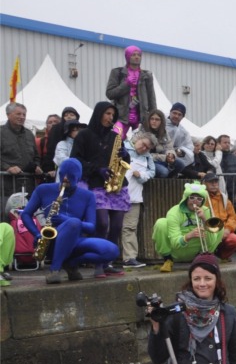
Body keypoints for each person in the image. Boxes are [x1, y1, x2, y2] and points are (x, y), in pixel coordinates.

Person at [21, 159, 120, 284]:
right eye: (63, 175)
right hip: (51, 241)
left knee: (112, 250)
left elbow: (91, 227)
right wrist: (36, 234)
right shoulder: (43, 189)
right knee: (73, 223)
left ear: (78, 178)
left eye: (71, 176)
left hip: (76, 241)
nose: (66, 179)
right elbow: (25, 214)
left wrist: (67, 220)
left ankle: (71, 263)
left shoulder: (87, 195)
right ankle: (54, 270)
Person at [70, 101, 129, 278]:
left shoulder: (115, 136)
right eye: (107, 113)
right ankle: (98, 264)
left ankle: (108, 262)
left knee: (117, 226)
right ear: (98, 114)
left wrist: (126, 155)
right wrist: (97, 168)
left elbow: (125, 159)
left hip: (116, 184)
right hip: (96, 183)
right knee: (102, 223)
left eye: (113, 115)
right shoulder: (84, 135)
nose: (111, 117)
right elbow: (76, 159)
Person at [152, 182, 224, 273]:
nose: (195, 201)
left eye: (199, 199)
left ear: (202, 201)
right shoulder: (174, 212)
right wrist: (189, 236)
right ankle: (168, 260)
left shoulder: (205, 211)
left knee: (218, 226)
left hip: (196, 252)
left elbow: (212, 241)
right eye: (192, 198)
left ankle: (203, 257)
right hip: (176, 251)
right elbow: (174, 242)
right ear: (186, 198)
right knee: (161, 223)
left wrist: (204, 220)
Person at [120, 131, 157, 268]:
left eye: (148, 148)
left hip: (134, 197)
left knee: (130, 228)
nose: (144, 149)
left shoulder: (148, 158)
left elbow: (152, 173)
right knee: (109, 227)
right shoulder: (122, 147)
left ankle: (129, 258)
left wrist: (140, 175)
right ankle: (106, 259)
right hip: (115, 195)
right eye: (143, 144)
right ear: (137, 139)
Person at [105, 45, 156, 137]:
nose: (137, 57)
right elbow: (110, 94)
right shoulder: (117, 72)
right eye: (133, 55)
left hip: (141, 118)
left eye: (139, 55)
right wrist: (126, 84)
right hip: (121, 116)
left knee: (142, 144)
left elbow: (151, 97)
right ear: (127, 56)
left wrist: (154, 116)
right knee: (116, 139)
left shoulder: (147, 75)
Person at [1, 101, 41, 207]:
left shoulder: (29, 134)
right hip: (6, 188)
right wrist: (8, 168)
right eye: (18, 114)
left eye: (24, 114)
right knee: (7, 219)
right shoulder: (1, 133)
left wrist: (37, 166)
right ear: (8, 115)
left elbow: (36, 156)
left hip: (28, 187)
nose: (22, 117)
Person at [202, 174, 236, 262]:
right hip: (206, 230)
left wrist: (227, 229)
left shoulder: (224, 198)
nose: (214, 184)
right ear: (204, 184)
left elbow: (233, 217)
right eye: (210, 182)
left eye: (216, 182)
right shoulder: (201, 198)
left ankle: (222, 256)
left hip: (223, 231)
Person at [138, 109, 173, 178]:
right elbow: (144, 153)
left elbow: (169, 147)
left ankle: (170, 180)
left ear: (161, 121)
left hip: (160, 159)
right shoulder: (142, 131)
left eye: (157, 119)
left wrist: (171, 155)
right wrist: (164, 157)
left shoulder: (164, 132)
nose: (154, 121)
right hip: (146, 160)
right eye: (152, 119)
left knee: (180, 164)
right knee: (164, 172)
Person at [166, 104, 195, 168]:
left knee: (180, 165)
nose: (176, 116)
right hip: (158, 155)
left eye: (179, 114)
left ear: (183, 117)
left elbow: (189, 148)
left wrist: (180, 152)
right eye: (174, 113)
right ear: (170, 112)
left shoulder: (184, 132)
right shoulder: (160, 122)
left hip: (172, 157)